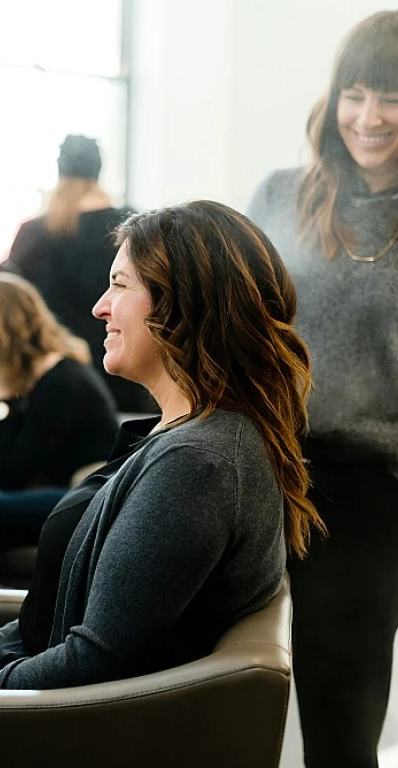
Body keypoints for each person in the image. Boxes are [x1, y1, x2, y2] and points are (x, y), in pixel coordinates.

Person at [0, 200, 324, 690]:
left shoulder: (196, 467)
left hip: (53, 730)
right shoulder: (189, 438)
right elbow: (79, 613)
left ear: (181, 304)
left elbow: (91, 662)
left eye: (120, 285)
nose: (99, 307)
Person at [246, 12, 398, 767]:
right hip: (284, 474)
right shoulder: (280, 196)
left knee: (347, 721)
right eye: (356, 94)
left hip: (377, 486)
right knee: (310, 720)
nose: (369, 118)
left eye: (392, 99)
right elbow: (229, 324)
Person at [0, 272, 119, 582]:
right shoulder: (52, 374)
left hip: (84, 502)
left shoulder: (60, 384)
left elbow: (10, 471)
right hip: (72, 493)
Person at [0, 134, 156, 414]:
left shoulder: (34, 233)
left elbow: (2, 301)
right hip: (128, 379)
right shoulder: (133, 228)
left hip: (57, 387)